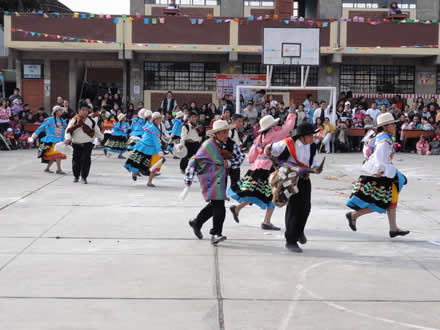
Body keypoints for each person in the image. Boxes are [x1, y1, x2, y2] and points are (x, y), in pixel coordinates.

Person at [228, 112, 297, 231]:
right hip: (268, 169)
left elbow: (250, 156)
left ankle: (238, 208)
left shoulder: (259, 138)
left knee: (255, 192)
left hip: (256, 168)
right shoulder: (276, 134)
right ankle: (266, 221)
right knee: (273, 194)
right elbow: (289, 126)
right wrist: (291, 113)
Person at [346, 112, 409, 238]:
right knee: (381, 202)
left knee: (389, 199)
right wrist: (382, 170)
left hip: (376, 172)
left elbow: (366, 152)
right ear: (386, 126)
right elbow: (380, 158)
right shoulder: (385, 140)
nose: (395, 127)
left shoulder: (375, 136)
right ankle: (354, 215)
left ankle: (393, 228)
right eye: (392, 124)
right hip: (380, 174)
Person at [266, 122, 323, 252]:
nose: (312, 138)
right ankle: (291, 240)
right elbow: (269, 148)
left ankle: (299, 231)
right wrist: (274, 159)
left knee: (306, 208)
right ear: (302, 136)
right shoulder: (288, 143)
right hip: (290, 180)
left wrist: (316, 167)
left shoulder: (312, 146)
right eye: (310, 136)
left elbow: (313, 161)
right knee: (294, 209)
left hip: (304, 179)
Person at [186, 120, 243, 245]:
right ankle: (216, 233)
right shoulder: (208, 145)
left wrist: (230, 163)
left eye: (227, 131)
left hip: (222, 177)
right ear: (216, 133)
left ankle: (197, 222)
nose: (226, 134)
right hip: (209, 177)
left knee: (215, 204)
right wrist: (189, 178)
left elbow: (240, 158)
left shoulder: (232, 144)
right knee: (219, 204)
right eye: (223, 132)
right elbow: (194, 160)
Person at [64, 103, 104, 184]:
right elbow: (68, 130)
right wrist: (68, 139)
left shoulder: (91, 121)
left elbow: (97, 130)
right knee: (76, 160)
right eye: (83, 110)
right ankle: (76, 176)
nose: (85, 112)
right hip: (76, 143)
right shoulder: (74, 120)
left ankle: (84, 177)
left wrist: (101, 138)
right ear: (79, 111)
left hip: (87, 143)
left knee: (86, 159)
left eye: (86, 110)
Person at [125, 112, 164, 187]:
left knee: (152, 164)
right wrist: (160, 151)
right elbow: (155, 141)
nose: (160, 120)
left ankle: (149, 182)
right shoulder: (152, 127)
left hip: (149, 147)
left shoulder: (152, 125)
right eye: (159, 119)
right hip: (146, 147)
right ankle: (135, 173)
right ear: (155, 120)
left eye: (160, 118)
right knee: (139, 161)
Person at [29, 105, 67, 174]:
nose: (61, 111)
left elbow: (64, 131)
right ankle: (59, 169)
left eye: (61, 110)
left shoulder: (63, 121)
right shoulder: (49, 120)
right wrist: (33, 137)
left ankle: (47, 168)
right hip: (51, 140)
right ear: (55, 112)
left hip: (59, 141)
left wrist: (65, 139)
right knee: (58, 154)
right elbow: (40, 128)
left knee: (55, 156)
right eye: (59, 110)